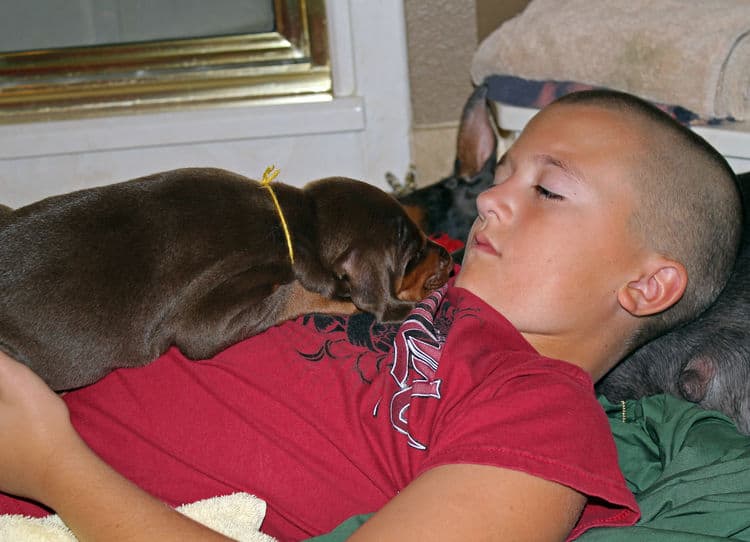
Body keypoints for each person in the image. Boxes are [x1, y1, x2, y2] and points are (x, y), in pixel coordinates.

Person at [0, 89, 742, 541]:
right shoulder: (405, 277)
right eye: (504, 172)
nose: (488, 197)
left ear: (647, 287)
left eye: (548, 191)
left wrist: (53, 466)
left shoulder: (543, 415)